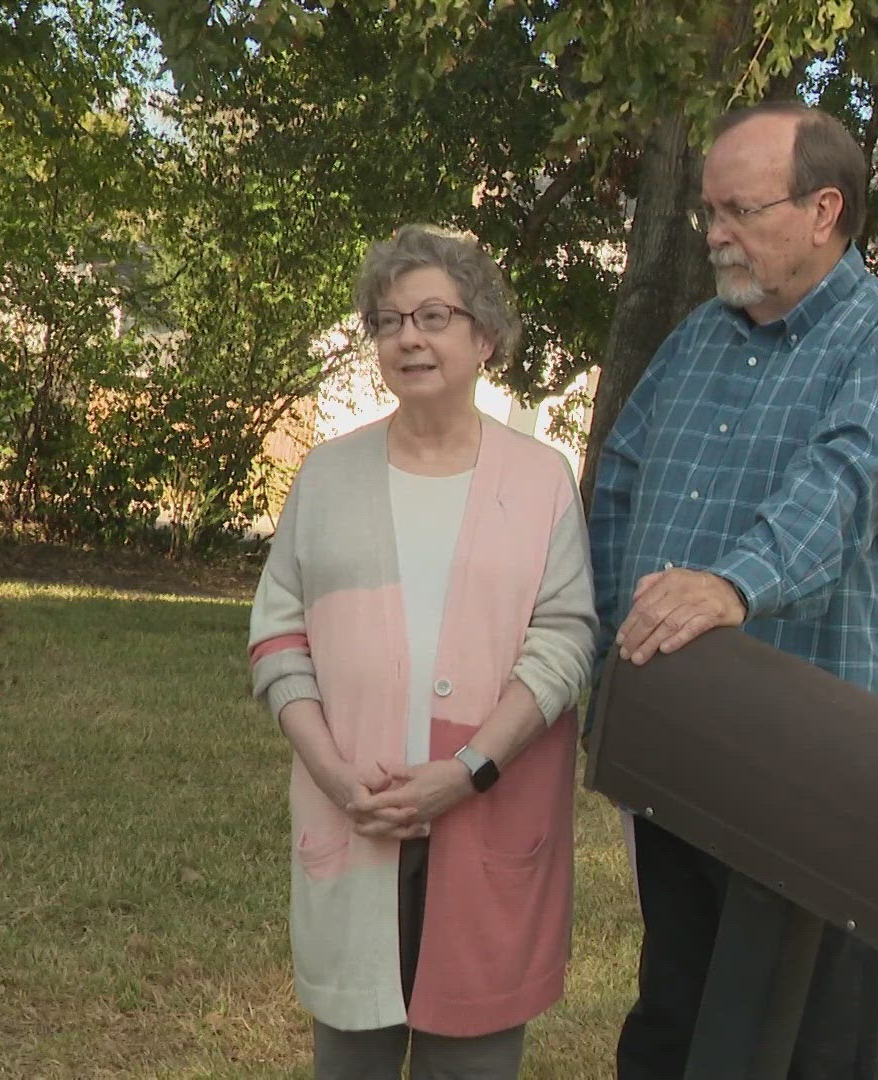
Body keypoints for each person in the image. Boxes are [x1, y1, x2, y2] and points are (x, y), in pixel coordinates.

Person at [590, 103, 878, 1078]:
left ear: (824, 209)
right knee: (677, 1014)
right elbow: (619, 492)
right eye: (707, 212)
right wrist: (607, 668)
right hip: (682, 745)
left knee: (808, 1042)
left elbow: (854, 477)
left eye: (739, 210)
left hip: (828, 764)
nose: (715, 233)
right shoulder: (695, 343)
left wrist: (732, 584)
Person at [249, 224, 597, 1079]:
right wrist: (336, 776)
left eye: (434, 315)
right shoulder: (327, 477)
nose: (408, 336)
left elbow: (564, 642)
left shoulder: (541, 478)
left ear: (484, 336)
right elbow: (277, 636)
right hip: (354, 815)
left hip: (487, 817)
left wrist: (469, 768)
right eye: (388, 320)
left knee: (471, 1055)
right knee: (352, 1057)